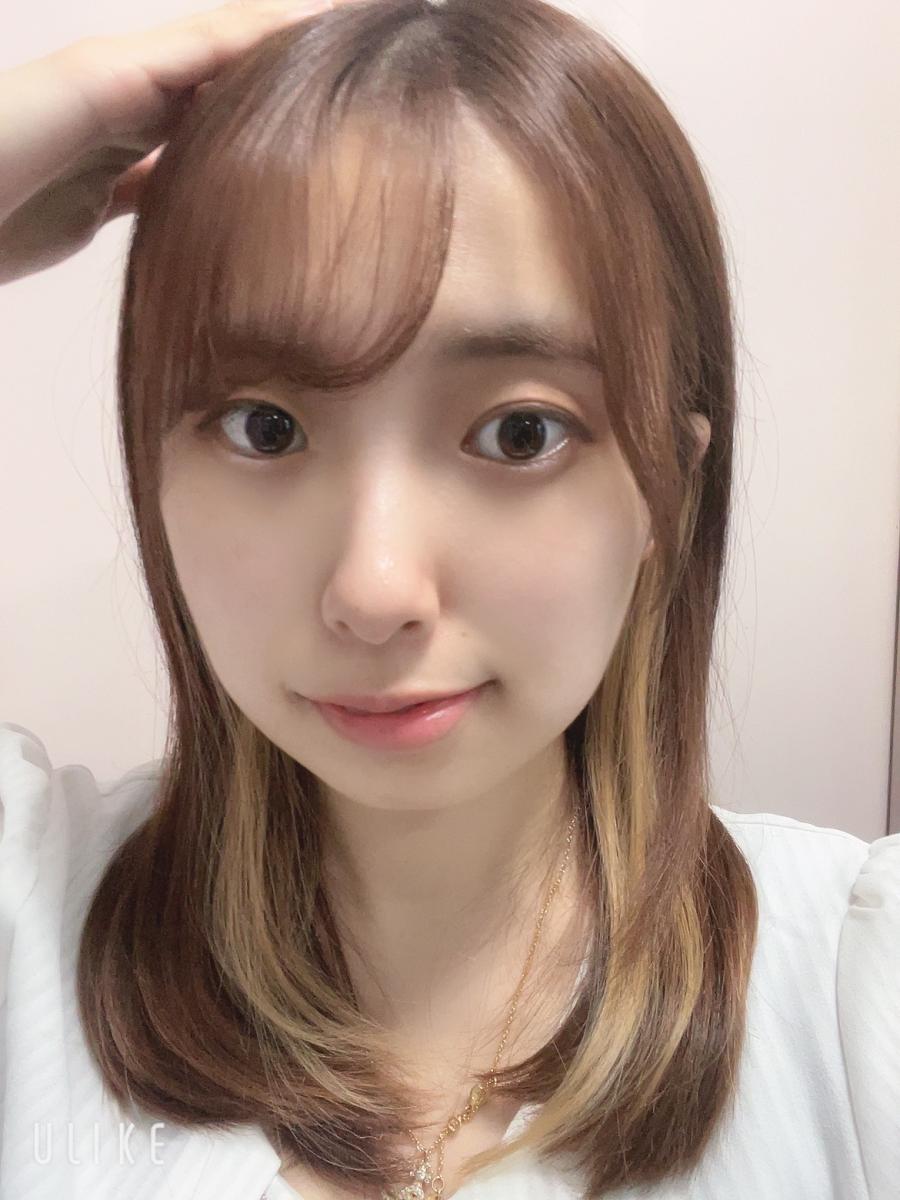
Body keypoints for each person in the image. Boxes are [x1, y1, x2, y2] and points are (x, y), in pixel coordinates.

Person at [0, 2, 897, 1199]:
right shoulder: (28, 925)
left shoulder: (854, 995)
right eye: (265, 428)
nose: (375, 590)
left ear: (667, 490)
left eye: (520, 432)